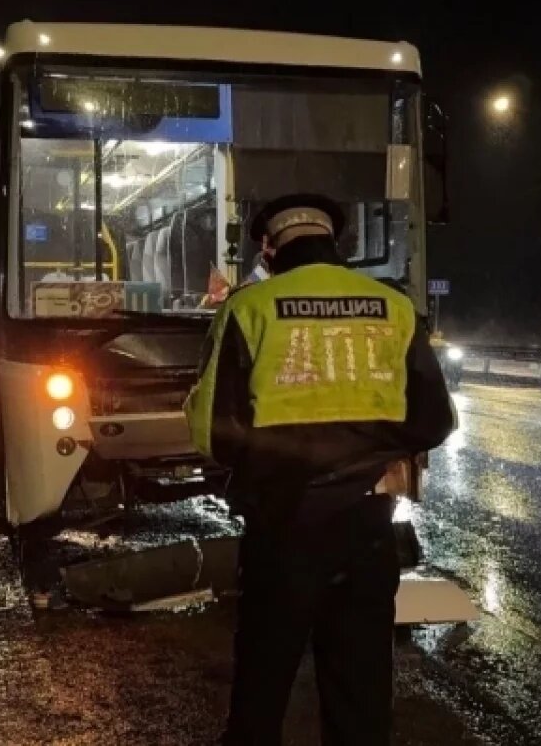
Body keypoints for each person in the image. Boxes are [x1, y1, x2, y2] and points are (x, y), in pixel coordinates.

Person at [183, 193, 455, 745]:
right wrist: (368, 447)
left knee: (261, 693)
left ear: (269, 247)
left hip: (283, 527)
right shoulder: (394, 307)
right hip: (367, 531)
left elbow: (212, 433)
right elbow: (434, 421)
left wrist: (274, 461)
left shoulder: (249, 308)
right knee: (360, 699)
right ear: (336, 243)